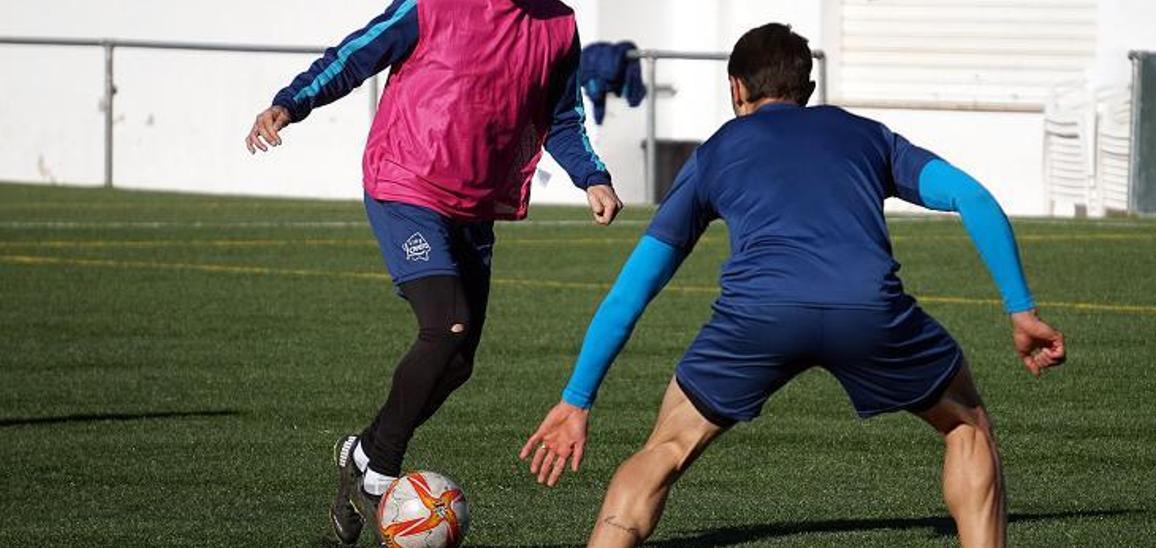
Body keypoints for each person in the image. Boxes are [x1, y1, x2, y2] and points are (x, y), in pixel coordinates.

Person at [519, 23, 1065, 548]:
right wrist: (1021, 309)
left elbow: (632, 290)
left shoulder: (717, 151)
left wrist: (577, 399)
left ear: (736, 87)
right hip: (867, 309)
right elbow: (973, 198)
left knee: (666, 447)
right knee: (966, 427)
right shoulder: (866, 135)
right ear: (807, 88)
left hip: (759, 317)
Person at [244, 1, 624, 545]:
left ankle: (364, 451)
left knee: (459, 361)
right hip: (406, 183)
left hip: (475, 205)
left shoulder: (558, 25)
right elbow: (354, 56)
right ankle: (379, 475)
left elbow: (563, 118)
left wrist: (592, 177)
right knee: (448, 324)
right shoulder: (433, 5)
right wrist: (290, 103)